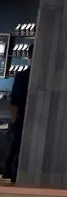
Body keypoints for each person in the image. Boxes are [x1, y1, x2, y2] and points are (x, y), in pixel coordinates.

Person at [4, 44, 31, 183]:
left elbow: (14, 100)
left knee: (16, 145)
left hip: (21, 117)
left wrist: (14, 119)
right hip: (30, 118)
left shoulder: (21, 76)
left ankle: (10, 171)